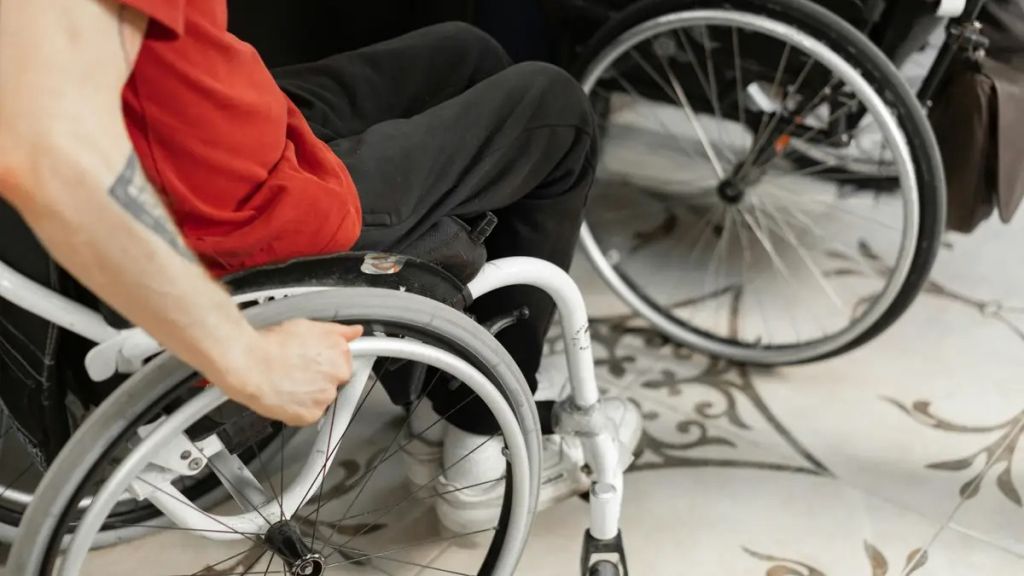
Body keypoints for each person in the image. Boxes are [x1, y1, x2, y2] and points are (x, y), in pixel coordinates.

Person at [0, 0, 641, 528]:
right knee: (557, 112)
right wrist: (243, 357)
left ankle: (443, 388)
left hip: (218, 137)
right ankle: (477, 451)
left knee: (465, 53)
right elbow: (43, 152)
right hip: (256, 222)